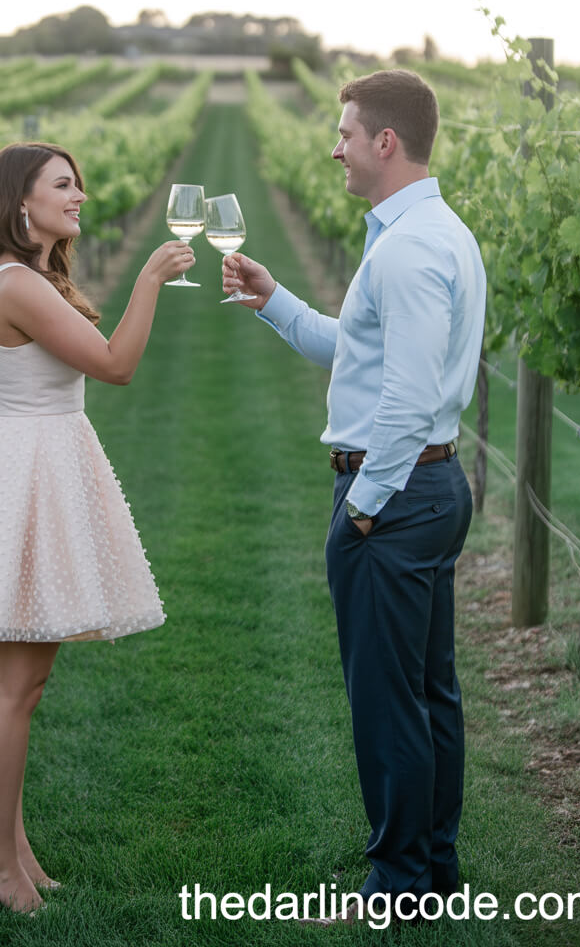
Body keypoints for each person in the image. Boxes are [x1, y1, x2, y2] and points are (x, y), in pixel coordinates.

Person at [0, 141, 195, 914]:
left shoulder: (17, 279)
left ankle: (9, 850)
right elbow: (116, 363)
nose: (80, 196)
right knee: (14, 682)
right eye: (63, 185)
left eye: (79, 184)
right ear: (20, 202)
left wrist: (8, 477)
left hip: (28, 468)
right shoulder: (20, 284)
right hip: (34, 471)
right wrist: (150, 279)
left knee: (16, 679)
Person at [223, 70, 486, 912]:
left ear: (385, 142)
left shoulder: (407, 249)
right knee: (428, 693)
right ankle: (433, 868)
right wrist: (277, 303)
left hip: (396, 497)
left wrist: (364, 508)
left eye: (344, 133)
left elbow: (405, 401)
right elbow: (361, 353)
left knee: (388, 705)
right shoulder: (431, 233)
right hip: (430, 486)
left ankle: (400, 882)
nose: (332, 148)